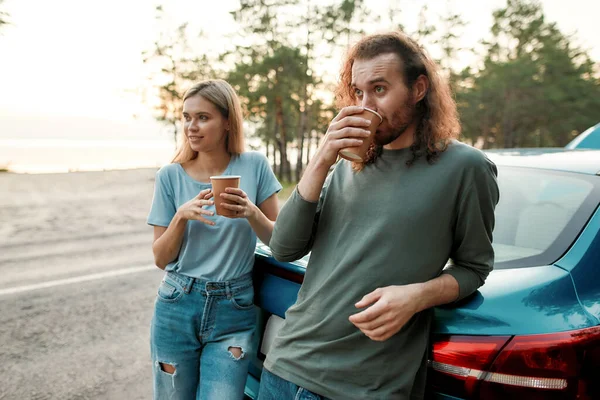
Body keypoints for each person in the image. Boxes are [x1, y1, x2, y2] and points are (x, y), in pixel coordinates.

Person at [258, 32, 499, 399]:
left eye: (380, 89)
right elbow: (284, 247)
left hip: (367, 388)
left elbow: (474, 268)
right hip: (286, 367)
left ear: (418, 89)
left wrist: (417, 296)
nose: (365, 106)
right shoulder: (347, 165)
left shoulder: (466, 168)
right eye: (358, 92)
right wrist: (322, 158)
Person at [147, 79, 282, 400]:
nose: (191, 127)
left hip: (234, 308)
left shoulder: (255, 166)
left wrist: (251, 212)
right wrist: (181, 217)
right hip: (177, 304)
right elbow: (160, 258)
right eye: (186, 117)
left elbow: (279, 242)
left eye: (203, 117)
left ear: (226, 122)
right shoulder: (170, 175)